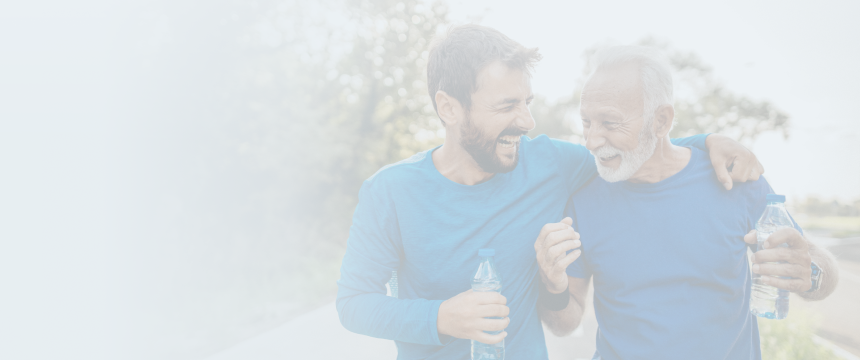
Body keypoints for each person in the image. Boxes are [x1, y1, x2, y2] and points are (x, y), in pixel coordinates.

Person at [336, 25, 762, 360]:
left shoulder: (553, 165)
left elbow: (636, 146)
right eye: (507, 106)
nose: (527, 121)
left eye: (527, 101)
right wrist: (440, 316)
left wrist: (708, 142)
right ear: (449, 107)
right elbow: (354, 303)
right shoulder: (389, 192)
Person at [535, 46, 839, 360]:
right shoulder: (583, 201)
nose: (592, 140)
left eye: (610, 124)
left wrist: (811, 273)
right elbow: (564, 323)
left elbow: (820, 269)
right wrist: (553, 286)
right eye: (586, 122)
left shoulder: (734, 177)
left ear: (661, 120)